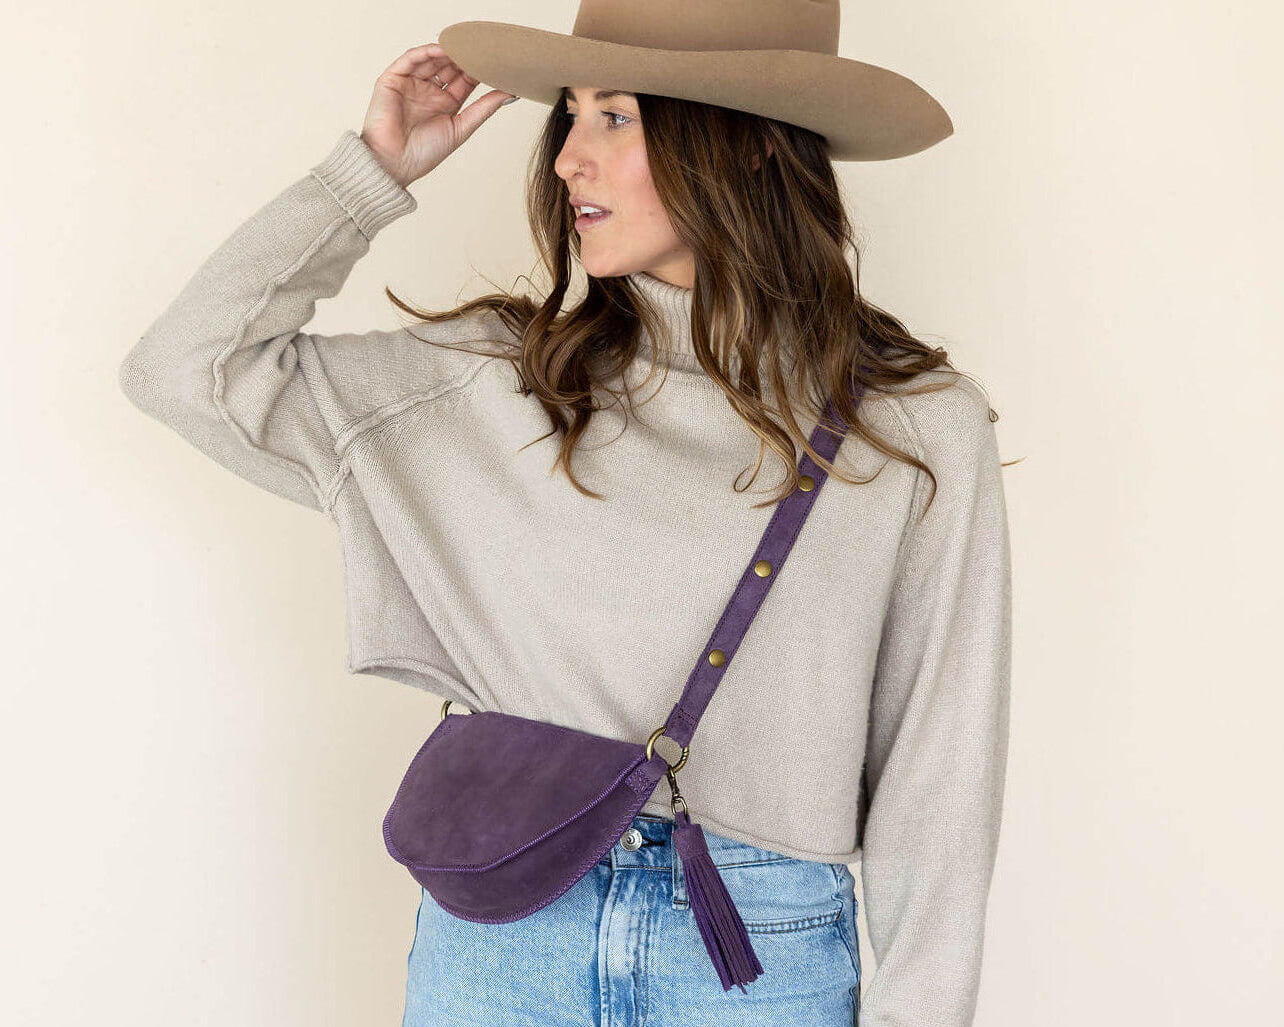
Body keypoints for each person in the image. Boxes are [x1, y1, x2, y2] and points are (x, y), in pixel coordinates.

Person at [118, 7, 1012, 1026]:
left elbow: (940, 779)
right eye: (571, 117)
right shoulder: (492, 382)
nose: (568, 161)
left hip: (757, 949)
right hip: (504, 936)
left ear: (752, 141)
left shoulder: (912, 428)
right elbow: (182, 370)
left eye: (617, 118)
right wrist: (368, 173)